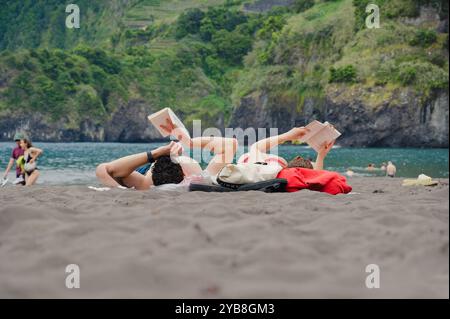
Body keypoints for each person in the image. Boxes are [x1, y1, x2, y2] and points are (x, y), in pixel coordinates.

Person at [96, 134, 238, 190]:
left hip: (148, 168)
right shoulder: (200, 178)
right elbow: (231, 144)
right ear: (184, 174)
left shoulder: (144, 183)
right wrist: (189, 142)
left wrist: (155, 153)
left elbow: (103, 169)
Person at [237, 127, 334, 171]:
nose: (309, 160)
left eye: (310, 162)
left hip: (249, 162)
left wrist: (287, 136)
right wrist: (321, 156)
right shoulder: (281, 167)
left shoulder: (273, 168)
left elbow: (255, 147)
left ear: (298, 158)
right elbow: (317, 174)